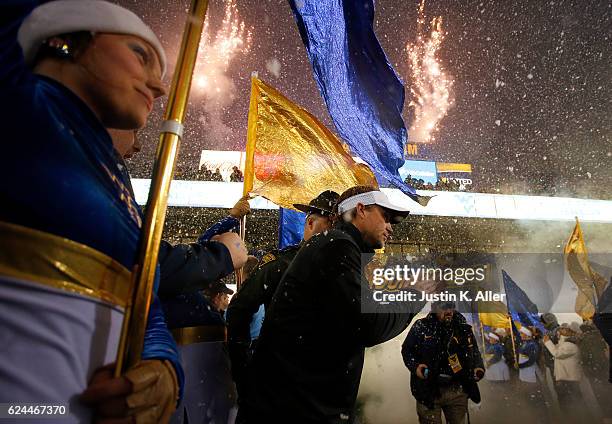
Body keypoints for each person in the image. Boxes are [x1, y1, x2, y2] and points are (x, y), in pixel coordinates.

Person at [0, 1, 183, 422]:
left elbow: (145, 302)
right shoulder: (19, 107)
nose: (158, 87)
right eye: (141, 54)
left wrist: (162, 367)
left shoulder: (115, 181)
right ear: (66, 39)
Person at [237, 186, 428, 423]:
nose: (390, 227)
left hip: (296, 405)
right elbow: (368, 326)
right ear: (361, 209)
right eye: (385, 217)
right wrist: (414, 296)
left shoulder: (339, 247)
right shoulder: (337, 245)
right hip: (294, 410)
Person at [227, 190, 339, 401]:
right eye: (331, 223)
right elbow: (239, 309)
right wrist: (243, 370)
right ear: (311, 224)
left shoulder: (346, 267)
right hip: (283, 385)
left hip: (319, 388)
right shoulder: (282, 264)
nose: (336, 231)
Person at [402, 301, 485, 424]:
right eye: (444, 308)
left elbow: (474, 352)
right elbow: (407, 350)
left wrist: (478, 367)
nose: (448, 311)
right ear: (435, 309)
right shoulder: (421, 326)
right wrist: (416, 367)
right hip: (428, 391)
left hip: (457, 390)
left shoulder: (463, 328)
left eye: (451, 307)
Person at [544, 325, 585, 423]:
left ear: (571, 332)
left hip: (569, 380)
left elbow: (557, 353)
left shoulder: (570, 346)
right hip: (566, 379)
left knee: (571, 404)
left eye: (563, 329)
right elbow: (559, 347)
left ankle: (577, 419)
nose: (560, 330)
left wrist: (547, 342)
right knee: (568, 403)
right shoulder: (564, 344)